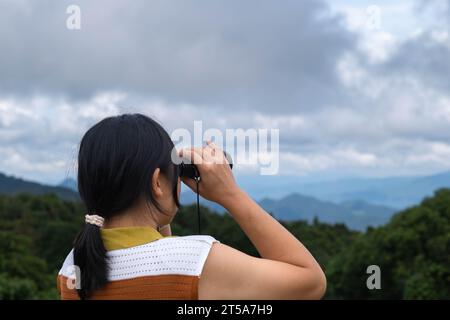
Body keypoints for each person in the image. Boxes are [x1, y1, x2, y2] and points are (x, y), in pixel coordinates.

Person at [57, 113, 326, 300]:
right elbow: (310, 283)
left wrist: (158, 208)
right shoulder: (199, 263)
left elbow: (154, 264)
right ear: (157, 183)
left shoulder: (74, 265)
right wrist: (230, 194)